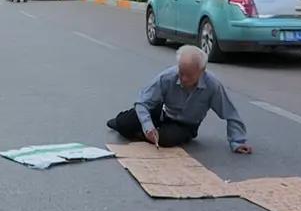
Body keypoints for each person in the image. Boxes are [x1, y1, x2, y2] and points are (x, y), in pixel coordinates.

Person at [106, 46, 252, 154]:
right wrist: (148, 126)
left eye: (189, 75)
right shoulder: (168, 77)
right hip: (162, 113)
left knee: (166, 139)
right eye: (181, 73)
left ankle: (145, 133)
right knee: (124, 123)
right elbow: (143, 102)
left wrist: (237, 142)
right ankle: (131, 127)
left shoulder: (212, 85)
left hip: (186, 125)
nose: (184, 79)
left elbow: (230, 113)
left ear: (202, 71)